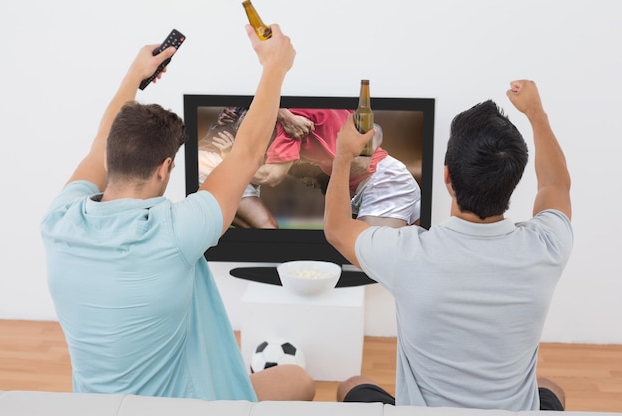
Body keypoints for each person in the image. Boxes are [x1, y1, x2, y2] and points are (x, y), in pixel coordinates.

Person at [40, 25, 315, 402]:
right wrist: (275, 67)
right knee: (300, 381)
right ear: (164, 168)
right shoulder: (175, 233)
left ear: (109, 158)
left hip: (95, 407)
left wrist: (134, 76)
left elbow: (96, 148)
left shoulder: (58, 220)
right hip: (185, 406)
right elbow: (248, 154)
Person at [323, 80, 572, 411]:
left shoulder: (408, 255)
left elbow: (337, 229)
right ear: (512, 182)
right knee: (550, 387)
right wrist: (536, 114)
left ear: (447, 178)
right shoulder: (546, 247)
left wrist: (342, 156)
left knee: (351, 385)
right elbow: (556, 184)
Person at [253, 108, 422, 227]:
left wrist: (230, 168)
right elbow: (374, 129)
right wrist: (366, 153)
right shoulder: (320, 109)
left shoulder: (292, 127)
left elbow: (271, 176)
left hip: (385, 183)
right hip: (388, 178)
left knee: (366, 253)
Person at [198, 106, 278, 228]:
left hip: (233, 161)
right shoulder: (291, 117)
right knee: (268, 226)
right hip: (218, 157)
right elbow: (268, 178)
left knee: (251, 227)